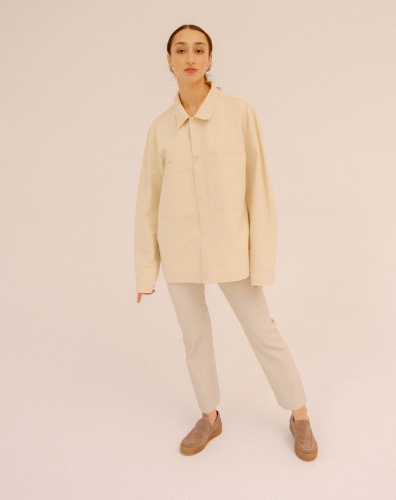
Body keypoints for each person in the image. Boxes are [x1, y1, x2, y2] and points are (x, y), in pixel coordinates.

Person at [134, 24, 318, 461]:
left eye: (199, 50)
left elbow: (259, 189)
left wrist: (262, 259)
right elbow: (148, 201)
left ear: (210, 58)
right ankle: (209, 415)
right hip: (180, 248)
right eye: (181, 50)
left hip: (233, 246)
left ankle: (299, 414)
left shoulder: (239, 113)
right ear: (169, 60)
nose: (190, 58)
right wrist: (146, 270)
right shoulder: (160, 128)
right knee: (194, 336)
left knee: (261, 329)